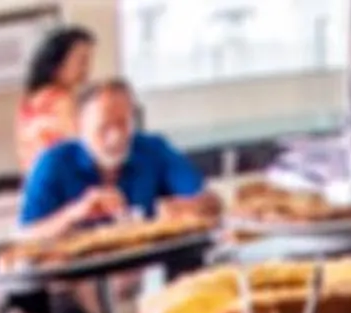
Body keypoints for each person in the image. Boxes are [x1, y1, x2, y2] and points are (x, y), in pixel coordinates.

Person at [16, 79, 213, 241]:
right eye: (104, 128)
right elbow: (24, 235)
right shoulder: (52, 163)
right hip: (77, 278)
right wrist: (74, 214)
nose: (116, 137)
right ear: (78, 127)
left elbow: (209, 201)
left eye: (123, 124)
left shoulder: (153, 149)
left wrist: (187, 207)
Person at [14, 26, 94, 172]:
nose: (87, 69)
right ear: (58, 62)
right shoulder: (61, 101)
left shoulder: (30, 100)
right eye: (82, 61)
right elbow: (81, 151)